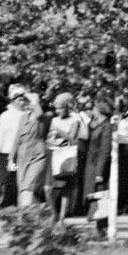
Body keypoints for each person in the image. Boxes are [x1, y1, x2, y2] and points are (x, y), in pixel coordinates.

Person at [47, 92, 85, 220]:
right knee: (48, 187)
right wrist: (53, 139)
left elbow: (72, 138)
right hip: (55, 154)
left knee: (66, 187)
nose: (58, 111)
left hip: (67, 155)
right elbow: (50, 138)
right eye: (56, 108)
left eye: (61, 108)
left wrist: (59, 132)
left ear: (67, 107)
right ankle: (53, 213)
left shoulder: (74, 120)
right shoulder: (54, 120)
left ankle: (62, 216)